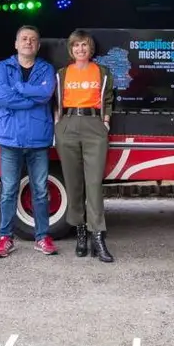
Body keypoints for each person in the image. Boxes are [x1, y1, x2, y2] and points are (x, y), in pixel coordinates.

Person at [0, 25, 57, 258]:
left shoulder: (46, 69)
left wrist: (18, 88)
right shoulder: (2, 67)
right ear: (16, 44)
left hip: (38, 138)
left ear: (38, 46)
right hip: (10, 138)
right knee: (8, 190)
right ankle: (5, 238)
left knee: (40, 191)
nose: (28, 42)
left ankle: (42, 237)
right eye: (24, 38)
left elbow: (46, 94)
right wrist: (30, 97)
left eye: (33, 39)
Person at [54, 30, 115, 263]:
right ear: (71, 49)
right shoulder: (62, 73)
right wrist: (58, 125)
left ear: (91, 49)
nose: (81, 49)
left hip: (93, 125)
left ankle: (98, 237)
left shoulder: (101, 72)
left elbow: (108, 99)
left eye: (85, 45)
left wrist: (106, 123)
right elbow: (56, 101)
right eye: (77, 45)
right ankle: (80, 234)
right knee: (74, 182)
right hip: (68, 124)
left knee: (93, 184)